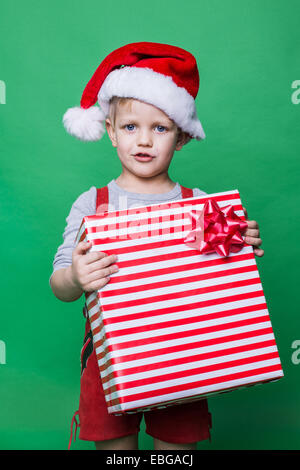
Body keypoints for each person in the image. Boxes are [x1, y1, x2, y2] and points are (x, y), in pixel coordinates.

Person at [50, 42, 264, 451]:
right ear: (110, 132)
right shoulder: (92, 205)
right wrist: (76, 276)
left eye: (160, 128)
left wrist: (240, 249)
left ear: (181, 136)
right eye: (131, 127)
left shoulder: (200, 206)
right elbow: (60, 285)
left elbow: (228, 280)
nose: (144, 141)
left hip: (185, 356)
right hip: (110, 355)